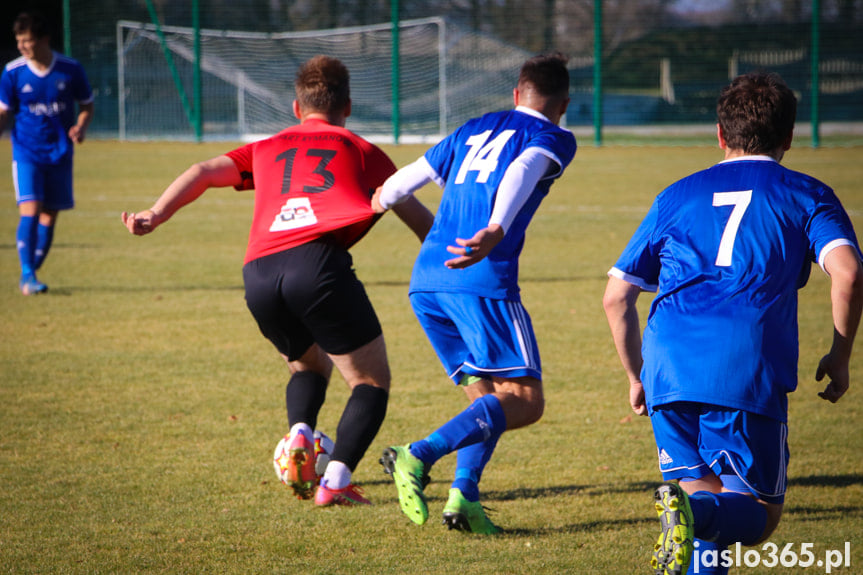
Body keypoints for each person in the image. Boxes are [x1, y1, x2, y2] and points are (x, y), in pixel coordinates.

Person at [121, 55, 433, 507]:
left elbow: (204, 171)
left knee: (308, 364)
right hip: (318, 266)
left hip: (259, 273)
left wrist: (156, 212)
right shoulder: (362, 150)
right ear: (347, 107)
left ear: (294, 108)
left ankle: (301, 434)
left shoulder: (267, 147)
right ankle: (336, 482)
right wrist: (455, 252)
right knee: (370, 381)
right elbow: (416, 215)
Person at [602, 72, 863, 575]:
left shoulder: (676, 195)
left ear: (720, 136)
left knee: (708, 500)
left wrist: (637, 376)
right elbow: (848, 274)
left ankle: (692, 511)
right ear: (790, 136)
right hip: (744, 365)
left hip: (668, 365)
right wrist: (841, 355)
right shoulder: (807, 193)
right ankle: (692, 512)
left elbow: (617, 296)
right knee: (759, 517)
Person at [372, 52, 577, 534]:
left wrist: (376, 200)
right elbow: (523, 170)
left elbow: (397, 188)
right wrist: (496, 227)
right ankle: (416, 455)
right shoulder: (553, 136)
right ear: (563, 103)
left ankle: (464, 497)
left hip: (427, 283)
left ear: (516, 93)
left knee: (486, 399)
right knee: (525, 401)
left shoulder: (473, 128)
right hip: (480, 280)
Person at [0, 11, 94, 295]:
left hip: (60, 153)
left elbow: (87, 105)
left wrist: (79, 126)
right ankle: (28, 274)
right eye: (19, 41)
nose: (22, 47)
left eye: (27, 41)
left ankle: (31, 272)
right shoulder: (13, 72)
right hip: (27, 151)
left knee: (50, 216)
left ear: (43, 39)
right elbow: (4, 112)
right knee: (30, 209)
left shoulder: (70, 69)